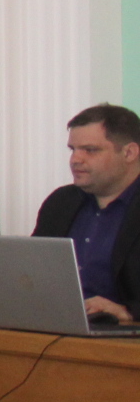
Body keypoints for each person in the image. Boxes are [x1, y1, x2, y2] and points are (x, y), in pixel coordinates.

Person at [32, 103, 140, 324]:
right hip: (59, 326)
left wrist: (128, 312)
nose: (75, 160)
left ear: (129, 153)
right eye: (73, 149)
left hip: (123, 335)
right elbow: (33, 273)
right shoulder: (61, 202)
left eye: (90, 150)